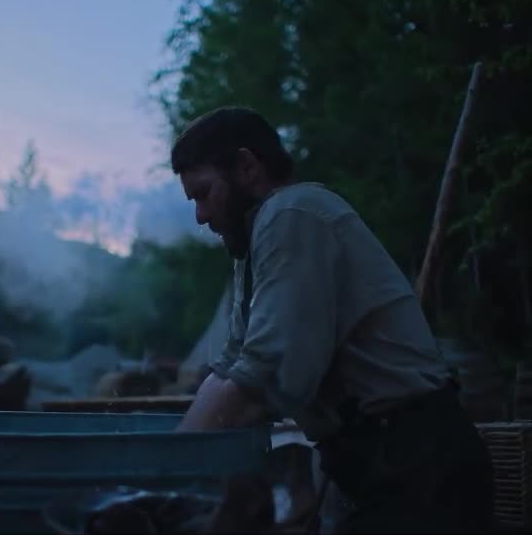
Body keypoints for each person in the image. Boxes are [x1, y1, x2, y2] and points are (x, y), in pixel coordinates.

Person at [171, 106, 494, 533]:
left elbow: (261, 380)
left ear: (246, 167)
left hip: (422, 469)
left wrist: (168, 474)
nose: (200, 215)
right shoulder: (256, 244)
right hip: (382, 468)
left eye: (203, 193)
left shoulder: (294, 215)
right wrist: (173, 455)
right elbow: (231, 368)